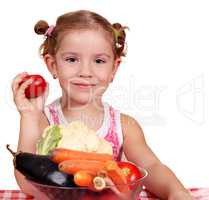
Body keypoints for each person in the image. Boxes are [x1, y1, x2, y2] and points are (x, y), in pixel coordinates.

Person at [12, 10, 194, 199]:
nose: (85, 71)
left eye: (99, 61)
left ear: (114, 69)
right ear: (52, 65)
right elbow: (28, 183)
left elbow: (151, 166)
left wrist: (176, 192)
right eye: (72, 59)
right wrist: (28, 115)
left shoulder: (124, 126)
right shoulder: (43, 121)